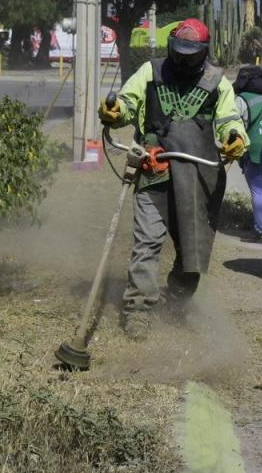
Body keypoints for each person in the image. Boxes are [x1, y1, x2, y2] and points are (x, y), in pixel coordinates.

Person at [98, 19, 248, 340]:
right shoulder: (151, 72)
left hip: (198, 176)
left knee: (191, 250)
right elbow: (128, 101)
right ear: (170, 48)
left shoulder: (216, 82)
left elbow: (229, 119)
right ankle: (138, 309)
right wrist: (116, 110)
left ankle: (177, 301)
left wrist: (235, 137)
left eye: (190, 55)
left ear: (203, 53)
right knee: (147, 242)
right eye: (178, 53)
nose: (182, 60)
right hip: (155, 170)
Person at [233, 65, 262, 244]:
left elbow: (235, 126)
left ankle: (261, 232)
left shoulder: (242, 99)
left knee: (259, 191)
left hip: (255, 150)